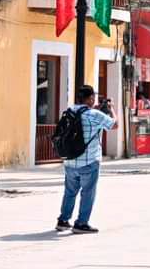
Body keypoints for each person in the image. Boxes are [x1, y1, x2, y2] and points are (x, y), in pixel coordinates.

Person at [56, 85, 118, 234]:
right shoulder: (95, 114)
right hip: (89, 161)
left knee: (70, 192)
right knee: (88, 193)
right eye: (93, 97)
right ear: (90, 98)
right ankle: (81, 223)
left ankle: (63, 221)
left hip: (70, 160)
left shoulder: (70, 111)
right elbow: (114, 125)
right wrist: (112, 109)